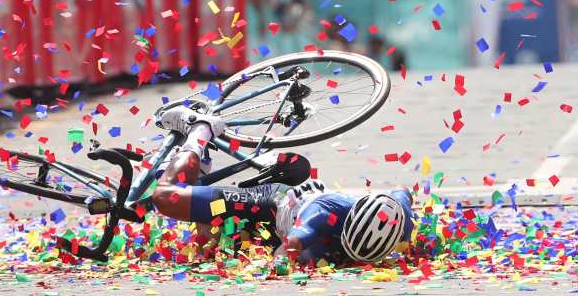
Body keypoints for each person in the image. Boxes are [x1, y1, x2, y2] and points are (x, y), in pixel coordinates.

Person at [149, 105, 415, 266]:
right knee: (166, 198)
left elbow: (403, 191)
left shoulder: (400, 218)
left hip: (275, 228)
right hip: (264, 203)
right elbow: (287, 251)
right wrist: (277, 268)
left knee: (207, 249)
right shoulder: (320, 214)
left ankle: (198, 173)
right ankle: (201, 128)